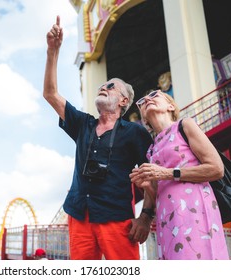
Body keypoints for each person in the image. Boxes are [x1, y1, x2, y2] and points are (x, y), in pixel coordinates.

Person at [43, 16, 154, 260]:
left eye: (111, 87)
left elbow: (152, 175)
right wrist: (53, 51)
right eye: (102, 85)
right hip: (79, 214)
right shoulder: (83, 124)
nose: (104, 87)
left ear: (124, 101)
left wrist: (146, 216)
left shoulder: (134, 132)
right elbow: (50, 94)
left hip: (117, 219)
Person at [130, 90, 230, 260]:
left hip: (195, 213)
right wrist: (148, 186)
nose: (147, 98)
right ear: (144, 118)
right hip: (167, 221)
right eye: (143, 101)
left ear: (170, 106)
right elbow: (154, 197)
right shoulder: (151, 150)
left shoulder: (185, 126)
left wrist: (166, 173)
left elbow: (216, 168)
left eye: (154, 95)